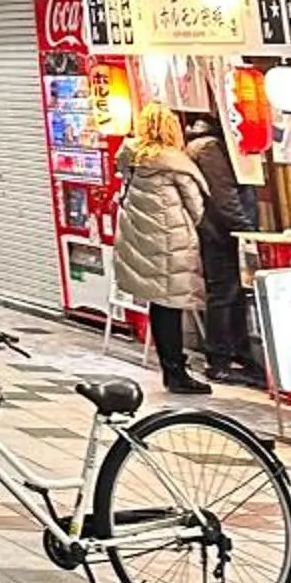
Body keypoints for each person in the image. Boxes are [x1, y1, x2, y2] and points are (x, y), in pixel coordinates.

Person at [116, 101, 211, 394]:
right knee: (171, 305)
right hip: (172, 242)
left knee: (160, 305)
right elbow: (196, 205)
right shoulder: (173, 161)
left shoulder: (131, 157)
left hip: (142, 241)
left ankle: (171, 367)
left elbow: (124, 195)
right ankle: (176, 372)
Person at [182, 111, 262, 385]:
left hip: (219, 230)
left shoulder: (201, 145)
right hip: (221, 232)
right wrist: (247, 230)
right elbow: (224, 196)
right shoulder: (211, 149)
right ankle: (219, 360)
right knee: (225, 293)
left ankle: (238, 354)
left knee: (231, 292)